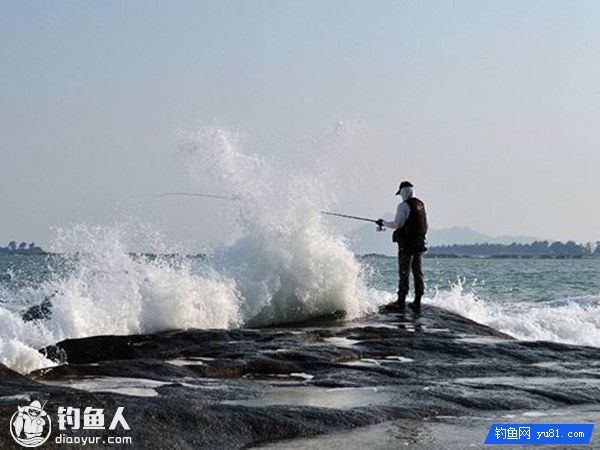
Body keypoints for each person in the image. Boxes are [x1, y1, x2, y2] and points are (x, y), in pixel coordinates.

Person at [376, 181, 428, 312]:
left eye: (400, 193)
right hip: (420, 244)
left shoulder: (403, 205)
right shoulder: (420, 204)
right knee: (417, 272)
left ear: (403, 192)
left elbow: (397, 224)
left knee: (404, 272)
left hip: (407, 245)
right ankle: (417, 301)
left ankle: (401, 302)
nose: (400, 196)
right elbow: (425, 225)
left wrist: (383, 223)